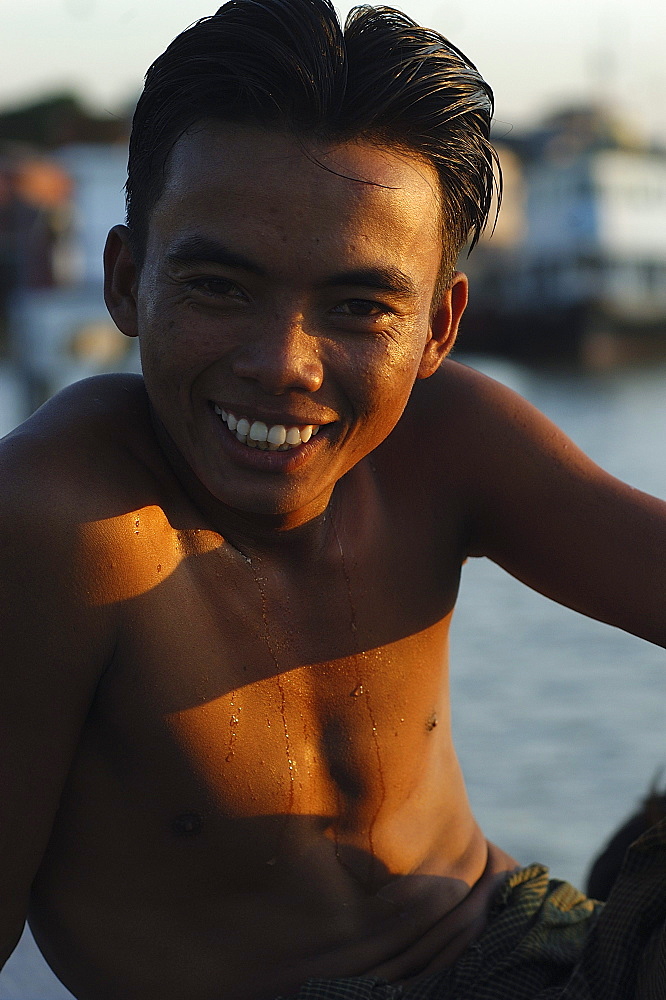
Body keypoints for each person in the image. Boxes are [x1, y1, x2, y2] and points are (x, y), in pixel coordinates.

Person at [0, 1, 664, 997]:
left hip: (534, 955)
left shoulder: (450, 442)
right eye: (221, 287)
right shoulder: (64, 516)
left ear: (439, 328)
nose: (283, 365)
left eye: (359, 307)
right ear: (128, 279)